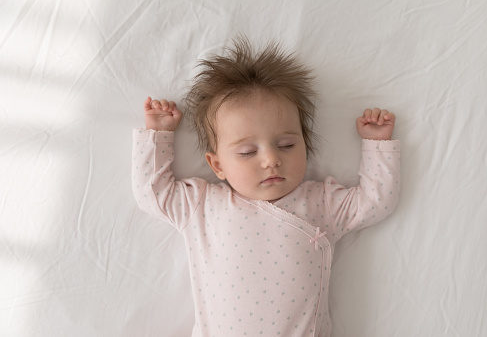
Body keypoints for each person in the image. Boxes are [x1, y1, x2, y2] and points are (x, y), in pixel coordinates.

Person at [132, 38, 400, 337]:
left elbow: (376, 202)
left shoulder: (322, 202)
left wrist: (377, 145)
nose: (271, 160)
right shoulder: (203, 204)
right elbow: (152, 193)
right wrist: (158, 134)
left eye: (287, 145)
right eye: (248, 152)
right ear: (217, 165)